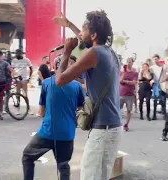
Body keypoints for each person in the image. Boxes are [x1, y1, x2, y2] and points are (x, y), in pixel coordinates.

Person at [54, 10, 122, 180]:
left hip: (102, 129)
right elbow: (84, 38)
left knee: (89, 175)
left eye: (83, 29)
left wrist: (67, 51)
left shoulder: (94, 54)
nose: (79, 34)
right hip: (114, 126)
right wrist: (69, 24)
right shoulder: (110, 53)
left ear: (93, 34)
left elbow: (60, 80)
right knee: (102, 175)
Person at [22, 55, 84, 180]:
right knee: (63, 165)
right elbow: (80, 107)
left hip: (48, 133)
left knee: (27, 156)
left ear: (55, 67)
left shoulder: (47, 82)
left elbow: (42, 112)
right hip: (67, 133)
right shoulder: (77, 86)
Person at [120, 57, 137, 131]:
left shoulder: (135, 73)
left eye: (129, 62)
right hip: (121, 94)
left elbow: (134, 82)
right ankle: (118, 123)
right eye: (127, 62)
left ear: (132, 63)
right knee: (117, 109)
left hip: (130, 94)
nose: (128, 63)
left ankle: (126, 124)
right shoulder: (122, 72)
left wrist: (125, 81)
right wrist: (124, 73)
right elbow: (120, 81)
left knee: (129, 110)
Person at [150, 54, 167, 120]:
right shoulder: (151, 68)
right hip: (156, 85)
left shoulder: (164, 67)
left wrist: (165, 80)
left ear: (159, 59)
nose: (155, 60)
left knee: (163, 99)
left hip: (162, 84)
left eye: (156, 59)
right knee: (155, 100)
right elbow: (150, 76)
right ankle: (154, 115)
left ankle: (165, 114)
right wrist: (151, 80)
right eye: (154, 59)